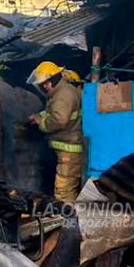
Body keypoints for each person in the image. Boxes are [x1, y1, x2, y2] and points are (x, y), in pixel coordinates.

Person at [27, 61, 84, 203]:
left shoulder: (63, 95)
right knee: (67, 188)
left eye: (47, 83)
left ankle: (69, 222)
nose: (45, 87)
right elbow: (53, 112)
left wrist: (42, 123)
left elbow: (59, 120)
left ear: (55, 79)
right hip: (66, 149)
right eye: (43, 84)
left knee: (64, 192)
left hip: (69, 151)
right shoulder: (60, 93)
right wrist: (40, 116)